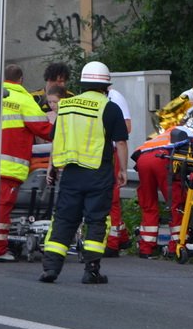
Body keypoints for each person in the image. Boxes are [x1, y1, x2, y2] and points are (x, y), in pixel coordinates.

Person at [39, 61, 128, 285]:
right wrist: (124, 170)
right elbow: (121, 142)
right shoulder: (109, 107)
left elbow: (56, 137)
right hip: (98, 173)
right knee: (97, 220)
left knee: (63, 219)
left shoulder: (66, 106)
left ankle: (50, 269)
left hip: (70, 173)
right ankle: (91, 271)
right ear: (106, 86)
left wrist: (52, 166)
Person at [0, 64, 52, 262]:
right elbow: (44, 129)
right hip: (9, 165)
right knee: (2, 208)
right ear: (21, 79)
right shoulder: (23, 99)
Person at [132, 127, 186, 258]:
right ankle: (176, 247)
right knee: (176, 204)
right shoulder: (186, 132)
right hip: (163, 159)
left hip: (143, 159)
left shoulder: (163, 133)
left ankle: (146, 248)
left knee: (148, 203)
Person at [104, 86, 133, 257]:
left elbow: (126, 128)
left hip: (110, 152)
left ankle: (113, 243)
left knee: (111, 198)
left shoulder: (115, 98)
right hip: (98, 153)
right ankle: (121, 237)